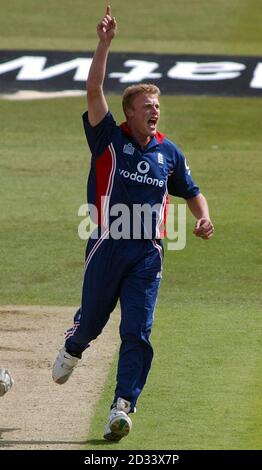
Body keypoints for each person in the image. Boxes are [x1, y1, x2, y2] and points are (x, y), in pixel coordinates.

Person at [52, 5, 214, 441]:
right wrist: (104, 43)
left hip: (148, 251)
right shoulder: (108, 137)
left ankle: (122, 407)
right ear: (129, 113)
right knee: (93, 323)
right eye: (147, 106)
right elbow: (92, 87)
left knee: (137, 330)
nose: (155, 111)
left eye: (157, 105)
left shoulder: (168, 152)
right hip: (108, 244)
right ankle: (74, 345)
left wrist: (203, 217)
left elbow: (190, 189)